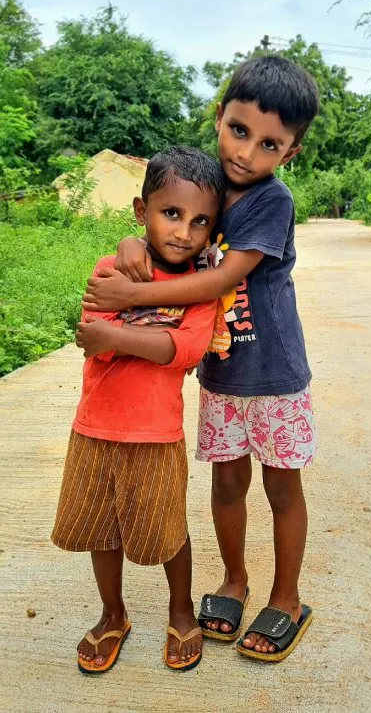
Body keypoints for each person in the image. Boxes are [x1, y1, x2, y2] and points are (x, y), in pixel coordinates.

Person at [82, 56, 320, 663]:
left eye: (270, 144)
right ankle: (234, 581)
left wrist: (131, 295)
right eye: (239, 131)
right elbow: (162, 220)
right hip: (220, 373)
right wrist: (130, 242)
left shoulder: (270, 201)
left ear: (288, 153)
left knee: (281, 488)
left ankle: (287, 598)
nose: (248, 152)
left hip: (275, 376)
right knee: (228, 484)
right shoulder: (207, 185)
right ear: (220, 118)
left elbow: (219, 282)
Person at [51, 146, 225, 674]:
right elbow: (93, 340)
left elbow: (186, 352)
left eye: (200, 222)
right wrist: (124, 333)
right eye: (170, 213)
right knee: (99, 530)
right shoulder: (111, 266)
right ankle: (112, 614)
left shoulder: (201, 290)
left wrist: (118, 329)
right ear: (139, 211)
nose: (183, 232)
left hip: (156, 434)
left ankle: (181, 608)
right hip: (94, 430)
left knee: (167, 530)